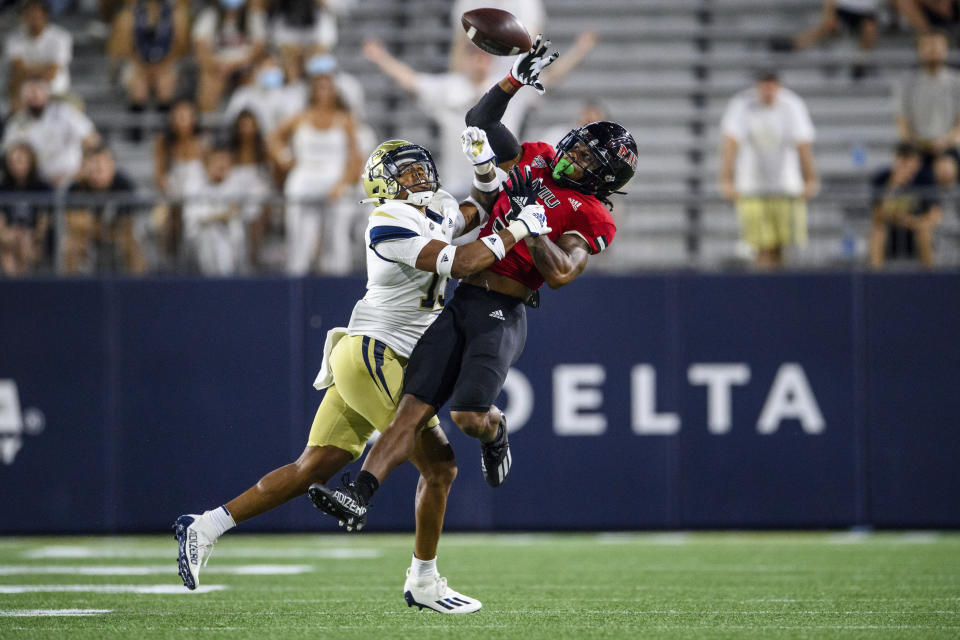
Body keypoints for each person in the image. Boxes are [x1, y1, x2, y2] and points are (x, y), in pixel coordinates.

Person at [173, 128, 551, 613]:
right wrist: (519, 228)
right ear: (383, 186)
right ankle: (424, 581)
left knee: (311, 467)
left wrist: (484, 167)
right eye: (405, 173)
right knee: (440, 467)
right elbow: (459, 263)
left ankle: (204, 526)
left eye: (420, 168)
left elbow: (479, 204)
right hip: (378, 352)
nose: (419, 177)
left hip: (369, 356)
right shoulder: (388, 219)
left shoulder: (434, 205)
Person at [308, 35, 637, 532]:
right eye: (583, 148)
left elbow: (563, 273)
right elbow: (479, 123)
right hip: (462, 298)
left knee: (466, 416)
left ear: (604, 180)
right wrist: (511, 82)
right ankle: (359, 492)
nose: (578, 158)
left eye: (592, 161)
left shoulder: (590, 214)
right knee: (411, 409)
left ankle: (496, 428)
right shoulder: (539, 157)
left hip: (504, 312)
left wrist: (533, 228)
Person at [719, 68, 819, 269]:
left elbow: (803, 146)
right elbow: (730, 144)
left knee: (782, 245)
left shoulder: (792, 105)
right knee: (761, 245)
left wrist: (810, 178)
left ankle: (777, 289)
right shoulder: (742, 105)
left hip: (785, 186)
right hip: (753, 187)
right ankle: (764, 288)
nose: (768, 92)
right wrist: (726, 179)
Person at [267, 59, 360, 274]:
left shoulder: (345, 119)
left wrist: (343, 183)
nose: (324, 91)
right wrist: (284, 158)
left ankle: (336, 279)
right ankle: (296, 278)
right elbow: (273, 138)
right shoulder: (301, 117)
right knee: (301, 239)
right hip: (304, 178)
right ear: (313, 89)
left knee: (336, 239)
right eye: (320, 86)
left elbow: (355, 157)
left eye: (328, 86)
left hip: (334, 179)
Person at [108, 0, 191, 141]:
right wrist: (143, 66)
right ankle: (135, 133)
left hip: (166, 62)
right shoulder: (130, 13)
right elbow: (122, 49)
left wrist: (162, 65)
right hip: (138, 62)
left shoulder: (176, 13)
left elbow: (182, 47)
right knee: (138, 86)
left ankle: (165, 131)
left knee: (165, 84)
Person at [1, 76, 100, 188]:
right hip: (35, 186)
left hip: (72, 181)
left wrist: (84, 169)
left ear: (47, 94)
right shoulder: (17, 121)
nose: (35, 96)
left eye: (38, 91)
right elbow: (8, 152)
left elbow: (92, 140)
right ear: (23, 96)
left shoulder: (65, 113)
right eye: (30, 93)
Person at [64, 144, 145, 274]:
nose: (96, 173)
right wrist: (98, 228)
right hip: (87, 237)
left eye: (101, 168)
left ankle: (139, 285)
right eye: (93, 167)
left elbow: (127, 223)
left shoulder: (124, 185)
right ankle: (70, 287)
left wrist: (97, 227)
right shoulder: (77, 187)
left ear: (111, 166)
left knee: (133, 242)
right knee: (70, 245)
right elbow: (74, 223)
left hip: (117, 235)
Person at [895, 30, 960, 188]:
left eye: (937, 46)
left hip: (947, 146)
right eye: (928, 46)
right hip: (917, 146)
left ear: (945, 50)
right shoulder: (907, 84)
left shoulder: (956, 82)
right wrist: (912, 143)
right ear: (920, 51)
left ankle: (942, 210)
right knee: (902, 172)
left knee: (945, 170)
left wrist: (947, 141)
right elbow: (902, 121)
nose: (933, 51)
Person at [869, 142, 943, 268]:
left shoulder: (925, 180)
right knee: (877, 233)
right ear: (898, 160)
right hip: (891, 235)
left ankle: (930, 276)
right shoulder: (881, 179)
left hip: (915, 232)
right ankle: (876, 279)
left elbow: (935, 216)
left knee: (924, 231)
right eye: (906, 162)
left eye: (915, 162)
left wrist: (914, 222)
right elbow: (876, 218)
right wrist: (894, 186)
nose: (912, 167)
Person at [182, 139, 250, 274]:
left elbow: (239, 214)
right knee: (209, 231)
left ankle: (226, 276)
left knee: (226, 233)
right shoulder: (194, 184)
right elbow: (192, 216)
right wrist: (220, 215)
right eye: (218, 160)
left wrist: (220, 216)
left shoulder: (235, 185)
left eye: (226, 160)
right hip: (197, 241)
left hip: (230, 241)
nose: (222, 164)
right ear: (208, 162)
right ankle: (214, 278)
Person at [191, 0, 267, 112]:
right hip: (217, 67)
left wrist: (233, 66)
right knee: (208, 78)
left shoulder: (253, 16)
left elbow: (259, 49)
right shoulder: (210, 15)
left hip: (245, 65)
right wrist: (216, 65)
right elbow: (200, 47)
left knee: (255, 76)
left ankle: (249, 121)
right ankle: (208, 121)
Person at [772, 1, 879, 79]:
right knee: (828, 25)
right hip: (844, 9)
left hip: (866, 13)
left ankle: (861, 63)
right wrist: (829, 15)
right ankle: (795, 44)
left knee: (870, 30)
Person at [5, 0, 72, 110]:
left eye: (36, 12)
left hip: (56, 93)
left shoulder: (61, 37)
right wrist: (44, 68)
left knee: (72, 108)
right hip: (25, 95)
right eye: (29, 12)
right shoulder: (14, 38)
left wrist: (27, 70)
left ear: (45, 14)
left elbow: (52, 73)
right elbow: (18, 69)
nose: (33, 16)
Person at [227, 109, 273, 270]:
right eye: (243, 125)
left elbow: (269, 182)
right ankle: (237, 265)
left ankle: (255, 261)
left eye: (250, 125)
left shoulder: (264, 152)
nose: (247, 130)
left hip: (258, 198)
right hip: (236, 197)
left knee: (255, 213)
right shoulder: (231, 153)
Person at [0, 141, 52, 275]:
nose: (16, 165)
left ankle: (25, 284)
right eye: (12, 161)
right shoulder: (3, 188)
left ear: (31, 162)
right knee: (6, 253)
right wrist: (8, 234)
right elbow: (1, 223)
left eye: (20, 161)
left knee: (25, 243)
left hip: (34, 239)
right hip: (9, 238)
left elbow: (44, 221)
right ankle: (12, 287)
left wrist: (34, 236)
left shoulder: (42, 188)